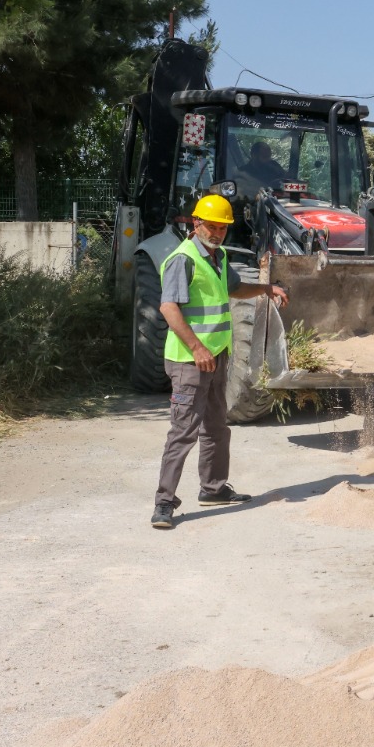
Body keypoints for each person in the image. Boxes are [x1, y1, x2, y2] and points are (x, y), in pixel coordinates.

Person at [151, 194, 289, 529]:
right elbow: (168, 307)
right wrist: (197, 348)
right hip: (190, 360)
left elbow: (234, 289)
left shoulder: (219, 257)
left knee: (216, 427)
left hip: (216, 357)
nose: (217, 233)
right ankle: (164, 503)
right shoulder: (183, 259)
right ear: (196, 223)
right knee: (184, 432)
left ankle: (213, 489)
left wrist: (266, 289)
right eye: (211, 226)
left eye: (223, 227)